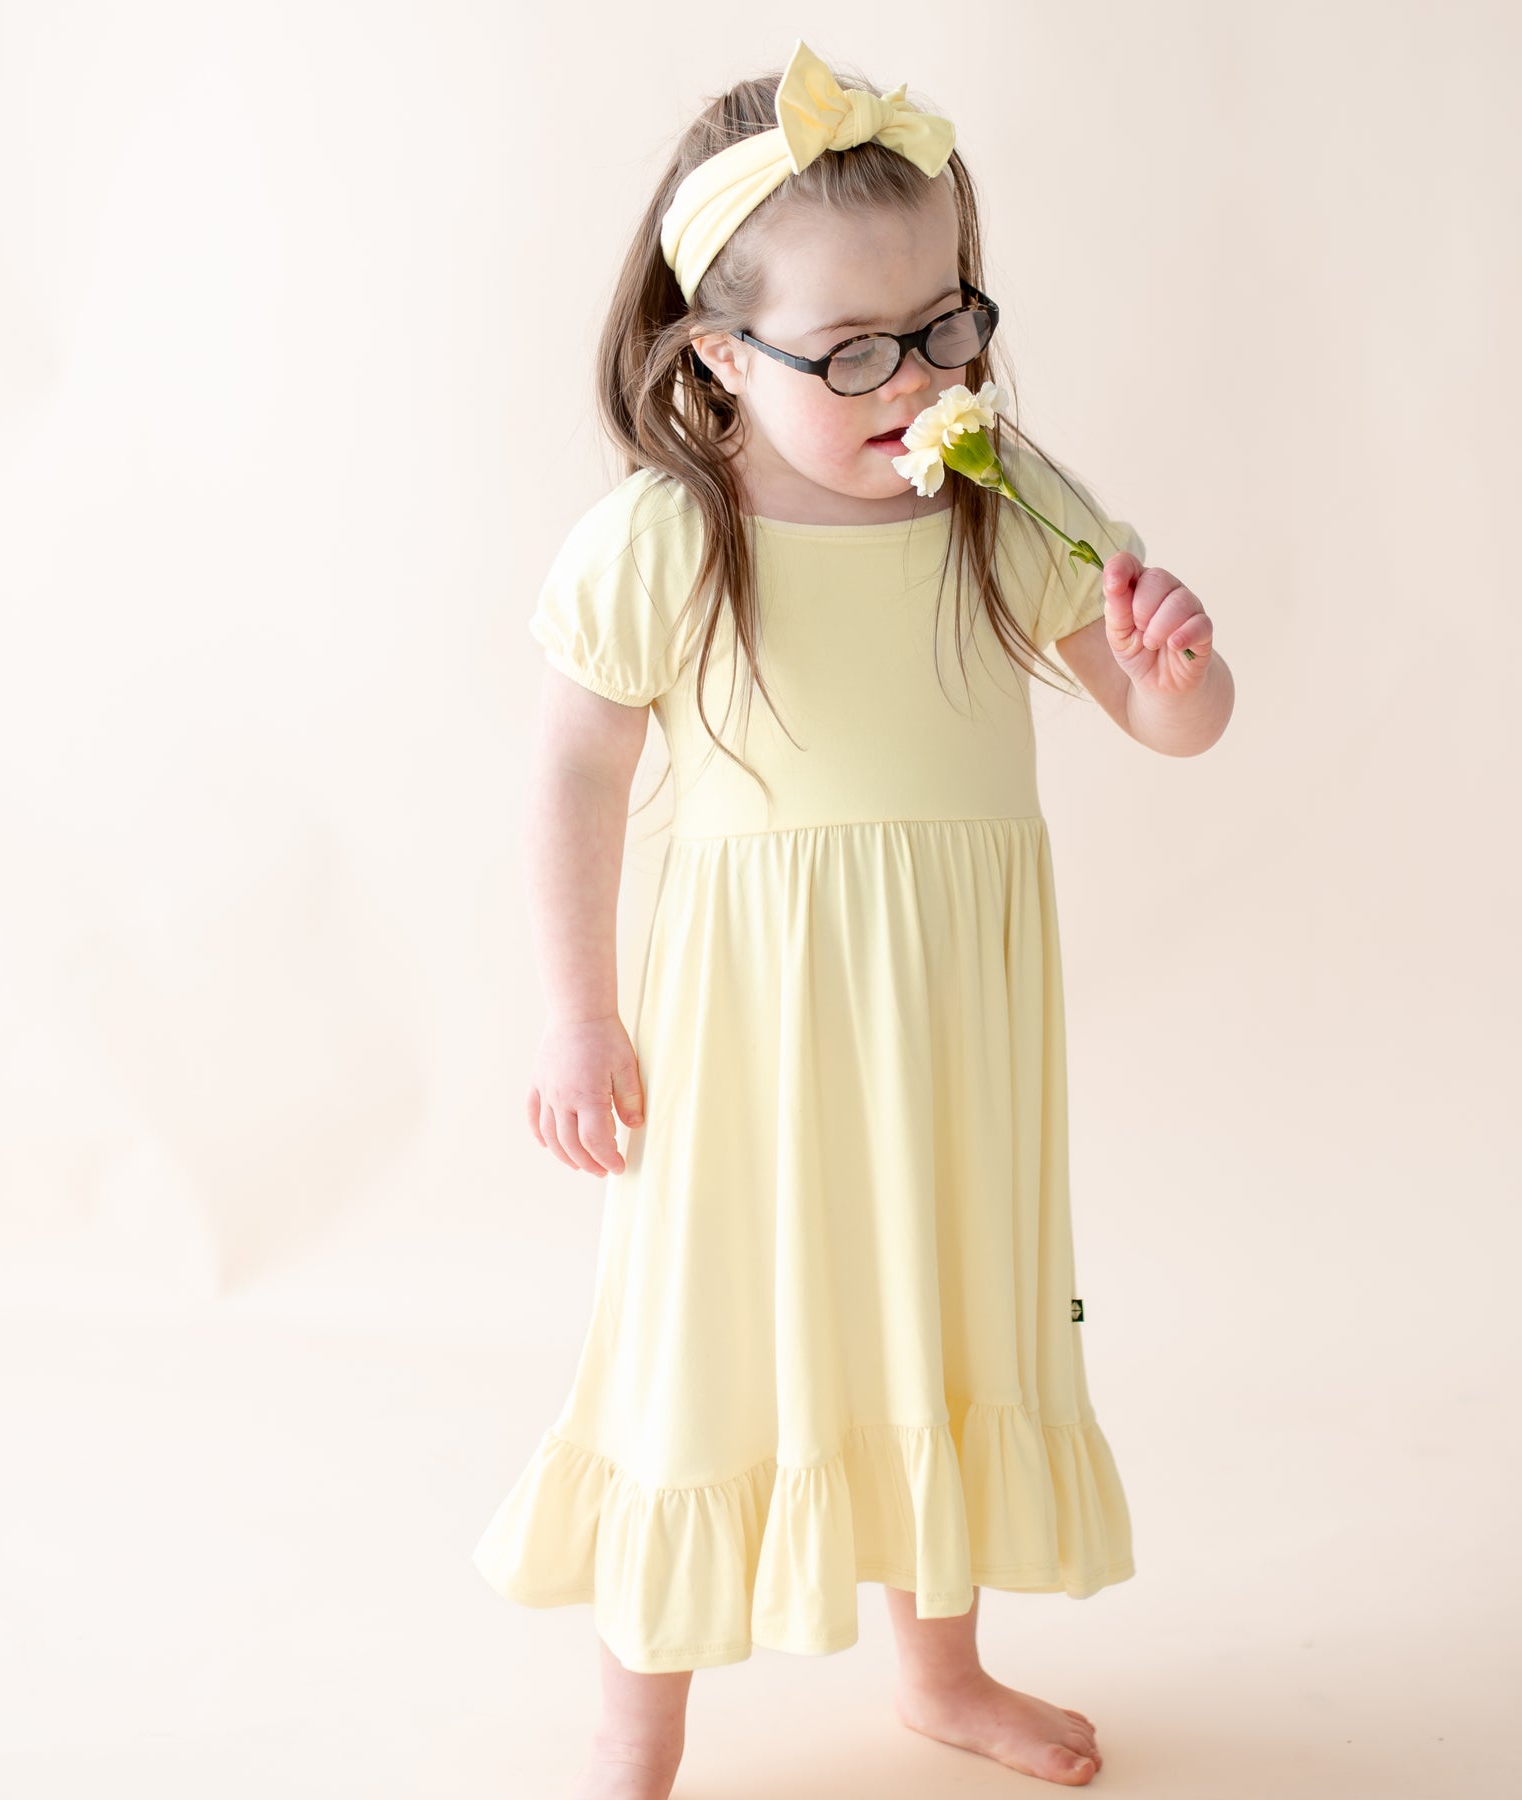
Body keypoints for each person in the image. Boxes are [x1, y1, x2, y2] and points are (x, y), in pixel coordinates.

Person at [473, 37, 1231, 1799]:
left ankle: (941, 1670)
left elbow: (1167, 717)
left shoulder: (1000, 504)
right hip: (751, 1033)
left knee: (944, 1313)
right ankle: (630, 1729)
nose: (926, 379)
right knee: (700, 1344)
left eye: (952, 322)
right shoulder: (673, 538)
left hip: (953, 1018)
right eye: (860, 354)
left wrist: (1175, 661)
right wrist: (578, 1012)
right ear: (721, 358)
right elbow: (574, 780)